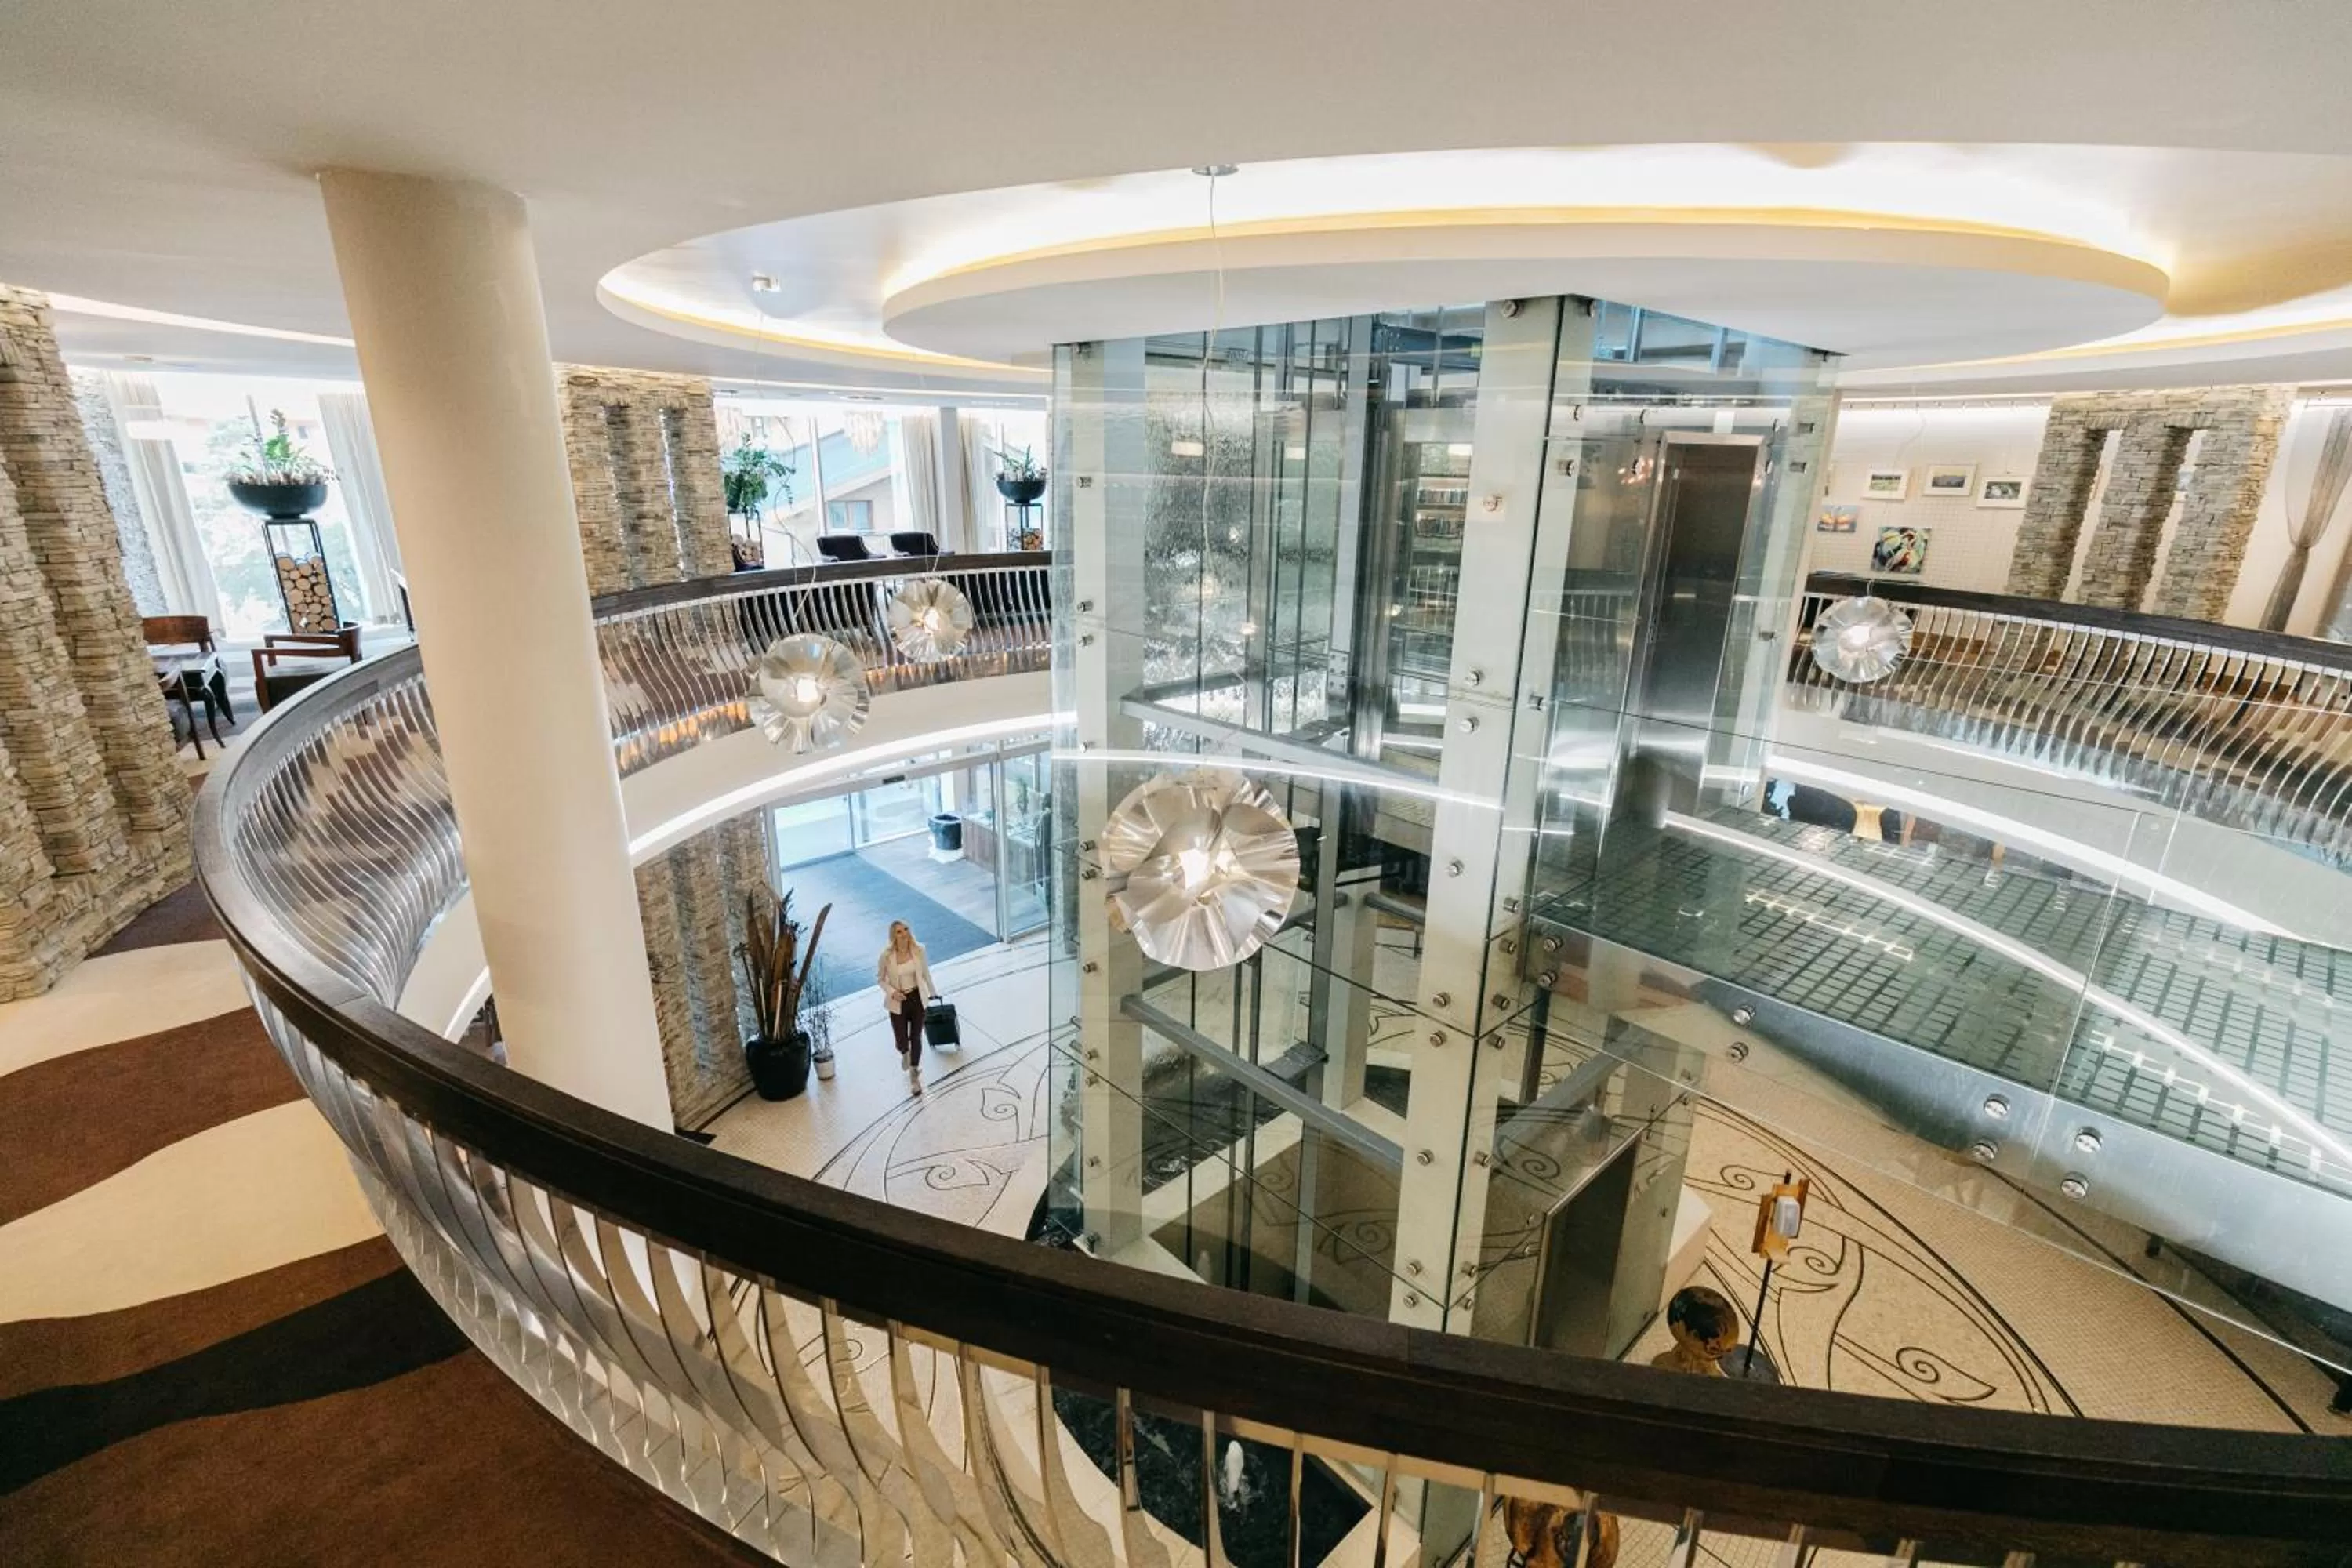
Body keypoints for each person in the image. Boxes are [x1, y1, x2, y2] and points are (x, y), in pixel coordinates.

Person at [876, 920, 938, 1098]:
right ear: (893, 936)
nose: (904, 934)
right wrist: (893, 992)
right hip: (898, 1001)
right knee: (901, 1039)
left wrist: (933, 993)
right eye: (899, 932)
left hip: (917, 998)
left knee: (916, 1036)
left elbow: (925, 973)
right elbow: (880, 979)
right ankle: (905, 1052)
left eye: (906, 929)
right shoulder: (886, 956)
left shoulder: (919, 950)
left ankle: (914, 1074)